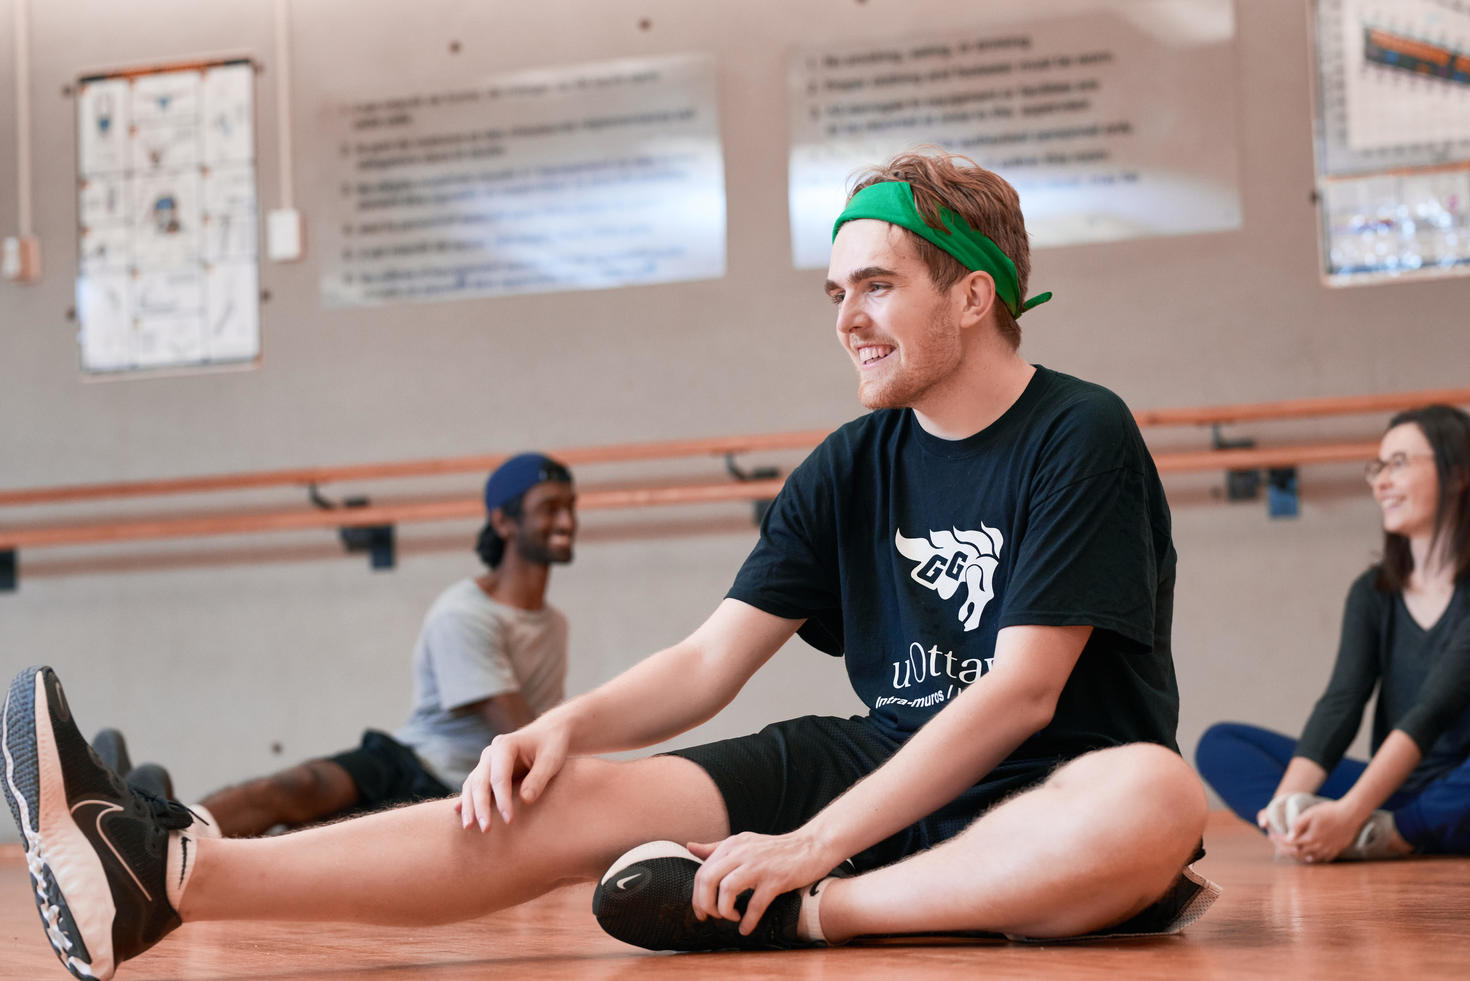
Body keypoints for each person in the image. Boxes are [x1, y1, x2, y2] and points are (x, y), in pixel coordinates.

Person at [3, 148, 1214, 981]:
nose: (846, 315)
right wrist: (561, 733)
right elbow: (707, 661)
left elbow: (1018, 695)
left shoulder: (1079, 431)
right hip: (880, 760)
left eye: (879, 286)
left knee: (1159, 795)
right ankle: (164, 872)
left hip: (1053, 786)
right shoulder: (853, 462)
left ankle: (807, 918)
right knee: (559, 792)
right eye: (835, 289)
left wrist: (807, 855)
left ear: (974, 293)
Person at [90, 451, 576, 838]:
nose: (567, 520)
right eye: (550, 508)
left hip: (464, 796)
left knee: (304, 837)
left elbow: (537, 739)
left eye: (570, 506)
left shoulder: (554, 624)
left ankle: (148, 826)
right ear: (505, 522)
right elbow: (520, 735)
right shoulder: (464, 613)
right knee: (298, 787)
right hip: (411, 766)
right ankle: (152, 827)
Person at [1196, 404, 1470, 863]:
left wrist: (1350, 812)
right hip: (1390, 792)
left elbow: (1431, 711)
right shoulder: (1373, 591)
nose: (1381, 482)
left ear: (1459, 475)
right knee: (1221, 744)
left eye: (1399, 464)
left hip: (1454, 799)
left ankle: (1386, 834)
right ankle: (1316, 831)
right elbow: (1341, 702)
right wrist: (1287, 805)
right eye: (1378, 467)